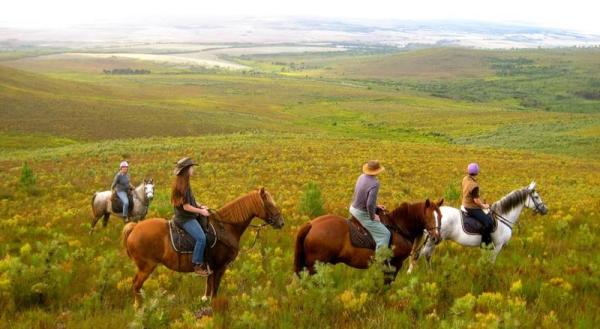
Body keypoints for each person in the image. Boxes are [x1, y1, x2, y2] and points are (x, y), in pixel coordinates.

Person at [171, 157, 212, 277]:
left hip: (187, 215)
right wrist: (201, 211)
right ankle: (197, 264)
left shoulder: (184, 182)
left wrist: (201, 205)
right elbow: (186, 207)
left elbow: (191, 200)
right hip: (185, 219)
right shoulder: (182, 185)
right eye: (191, 167)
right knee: (201, 238)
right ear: (186, 170)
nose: (193, 169)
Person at [349, 160, 391, 250]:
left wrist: (376, 206)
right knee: (385, 234)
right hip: (361, 213)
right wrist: (373, 216)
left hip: (353, 208)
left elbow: (361, 196)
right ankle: (379, 261)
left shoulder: (361, 176)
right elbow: (369, 204)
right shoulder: (375, 183)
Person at [462, 162, 494, 248]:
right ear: (477, 172)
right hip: (471, 207)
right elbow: (476, 201)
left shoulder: (465, 178)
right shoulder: (474, 185)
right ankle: (484, 243)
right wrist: (484, 206)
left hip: (464, 204)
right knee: (489, 222)